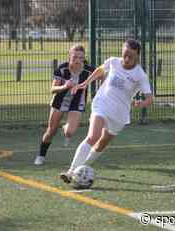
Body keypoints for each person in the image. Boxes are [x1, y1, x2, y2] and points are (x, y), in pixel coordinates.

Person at [60, 39, 153, 183]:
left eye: (131, 56)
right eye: (125, 55)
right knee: (93, 136)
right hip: (102, 104)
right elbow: (100, 70)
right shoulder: (114, 62)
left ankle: (82, 168)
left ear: (138, 56)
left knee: (102, 143)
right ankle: (71, 172)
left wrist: (141, 103)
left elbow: (149, 99)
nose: (127, 59)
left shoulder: (140, 75)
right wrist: (84, 84)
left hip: (119, 114)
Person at [34, 44, 95, 165]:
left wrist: (101, 91)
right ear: (69, 56)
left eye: (80, 57)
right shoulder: (62, 69)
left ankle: (65, 128)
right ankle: (41, 155)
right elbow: (52, 89)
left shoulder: (89, 70)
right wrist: (65, 86)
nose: (77, 60)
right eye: (74, 57)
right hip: (60, 100)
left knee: (70, 132)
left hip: (77, 102)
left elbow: (102, 75)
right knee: (51, 131)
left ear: (83, 58)